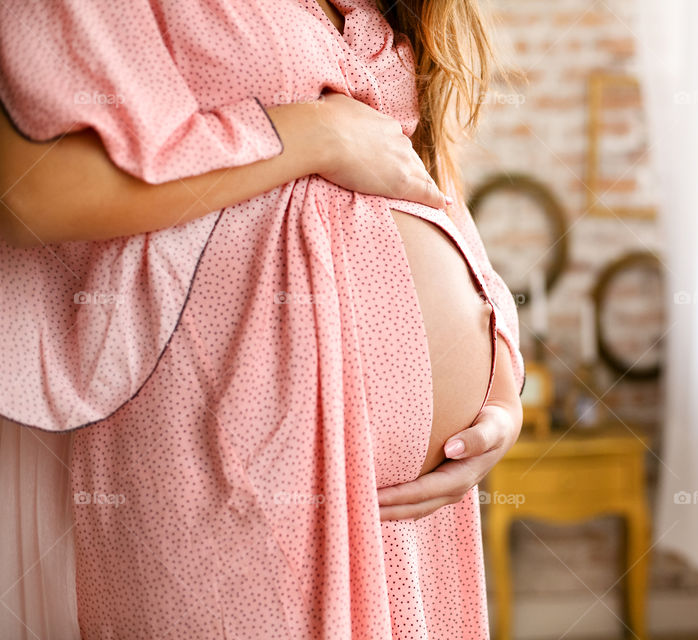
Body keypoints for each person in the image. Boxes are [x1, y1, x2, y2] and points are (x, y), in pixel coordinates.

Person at [0, 0, 526, 637]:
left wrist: (501, 388)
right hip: (224, 463)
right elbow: (32, 194)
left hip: (411, 518)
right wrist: (316, 135)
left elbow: (422, 173)